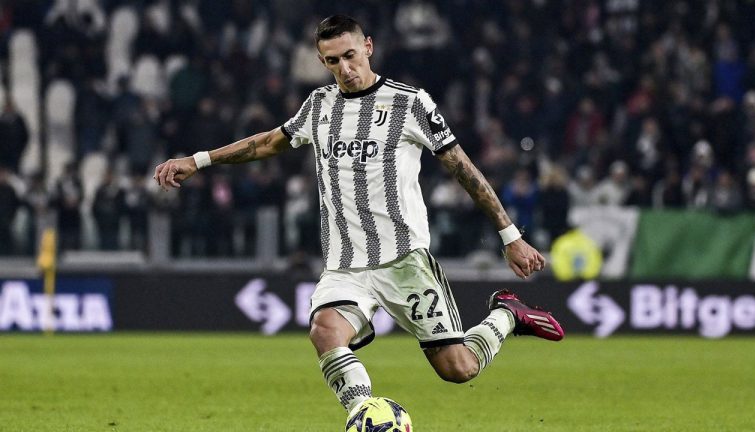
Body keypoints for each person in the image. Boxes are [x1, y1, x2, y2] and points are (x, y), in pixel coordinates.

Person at [154, 15, 563, 415]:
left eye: (350, 55)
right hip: (345, 265)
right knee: (325, 330)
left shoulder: (410, 103)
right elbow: (268, 143)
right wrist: (199, 160)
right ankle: (365, 415)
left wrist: (510, 236)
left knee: (458, 368)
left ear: (368, 47)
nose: (345, 69)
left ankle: (507, 314)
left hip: (404, 262)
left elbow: (463, 168)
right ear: (322, 61)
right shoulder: (319, 105)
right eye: (333, 61)